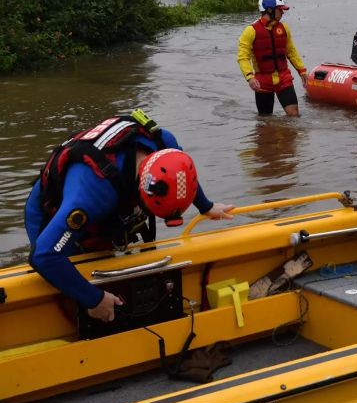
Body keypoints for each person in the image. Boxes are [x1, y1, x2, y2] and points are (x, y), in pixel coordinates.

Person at [24, 110, 234, 322]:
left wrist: (206, 206)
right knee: (67, 272)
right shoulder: (92, 193)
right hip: (48, 211)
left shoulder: (163, 143)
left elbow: (181, 175)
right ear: (141, 190)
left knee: (107, 254)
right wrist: (94, 299)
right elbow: (44, 255)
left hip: (109, 191)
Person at [237, 0, 307, 117]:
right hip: (263, 81)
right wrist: (250, 77)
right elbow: (243, 57)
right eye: (280, 10)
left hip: (284, 78)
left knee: (294, 115)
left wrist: (302, 71)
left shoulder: (284, 28)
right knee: (265, 120)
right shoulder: (250, 31)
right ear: (269, 10)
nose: (282, 13)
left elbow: (291, 51)